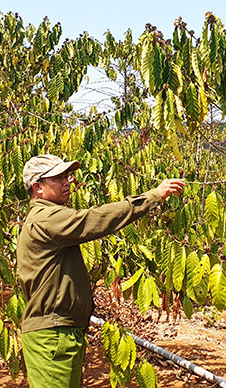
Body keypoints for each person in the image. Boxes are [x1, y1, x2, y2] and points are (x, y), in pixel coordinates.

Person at [17, 154, 185, 388]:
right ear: (38, 187)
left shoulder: (46, 217)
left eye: (67, 176)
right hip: (52, 334)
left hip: (60, 331)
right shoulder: (47, 218)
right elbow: (94, 219)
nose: (68, 182)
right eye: (58, 178)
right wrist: (152, 197)